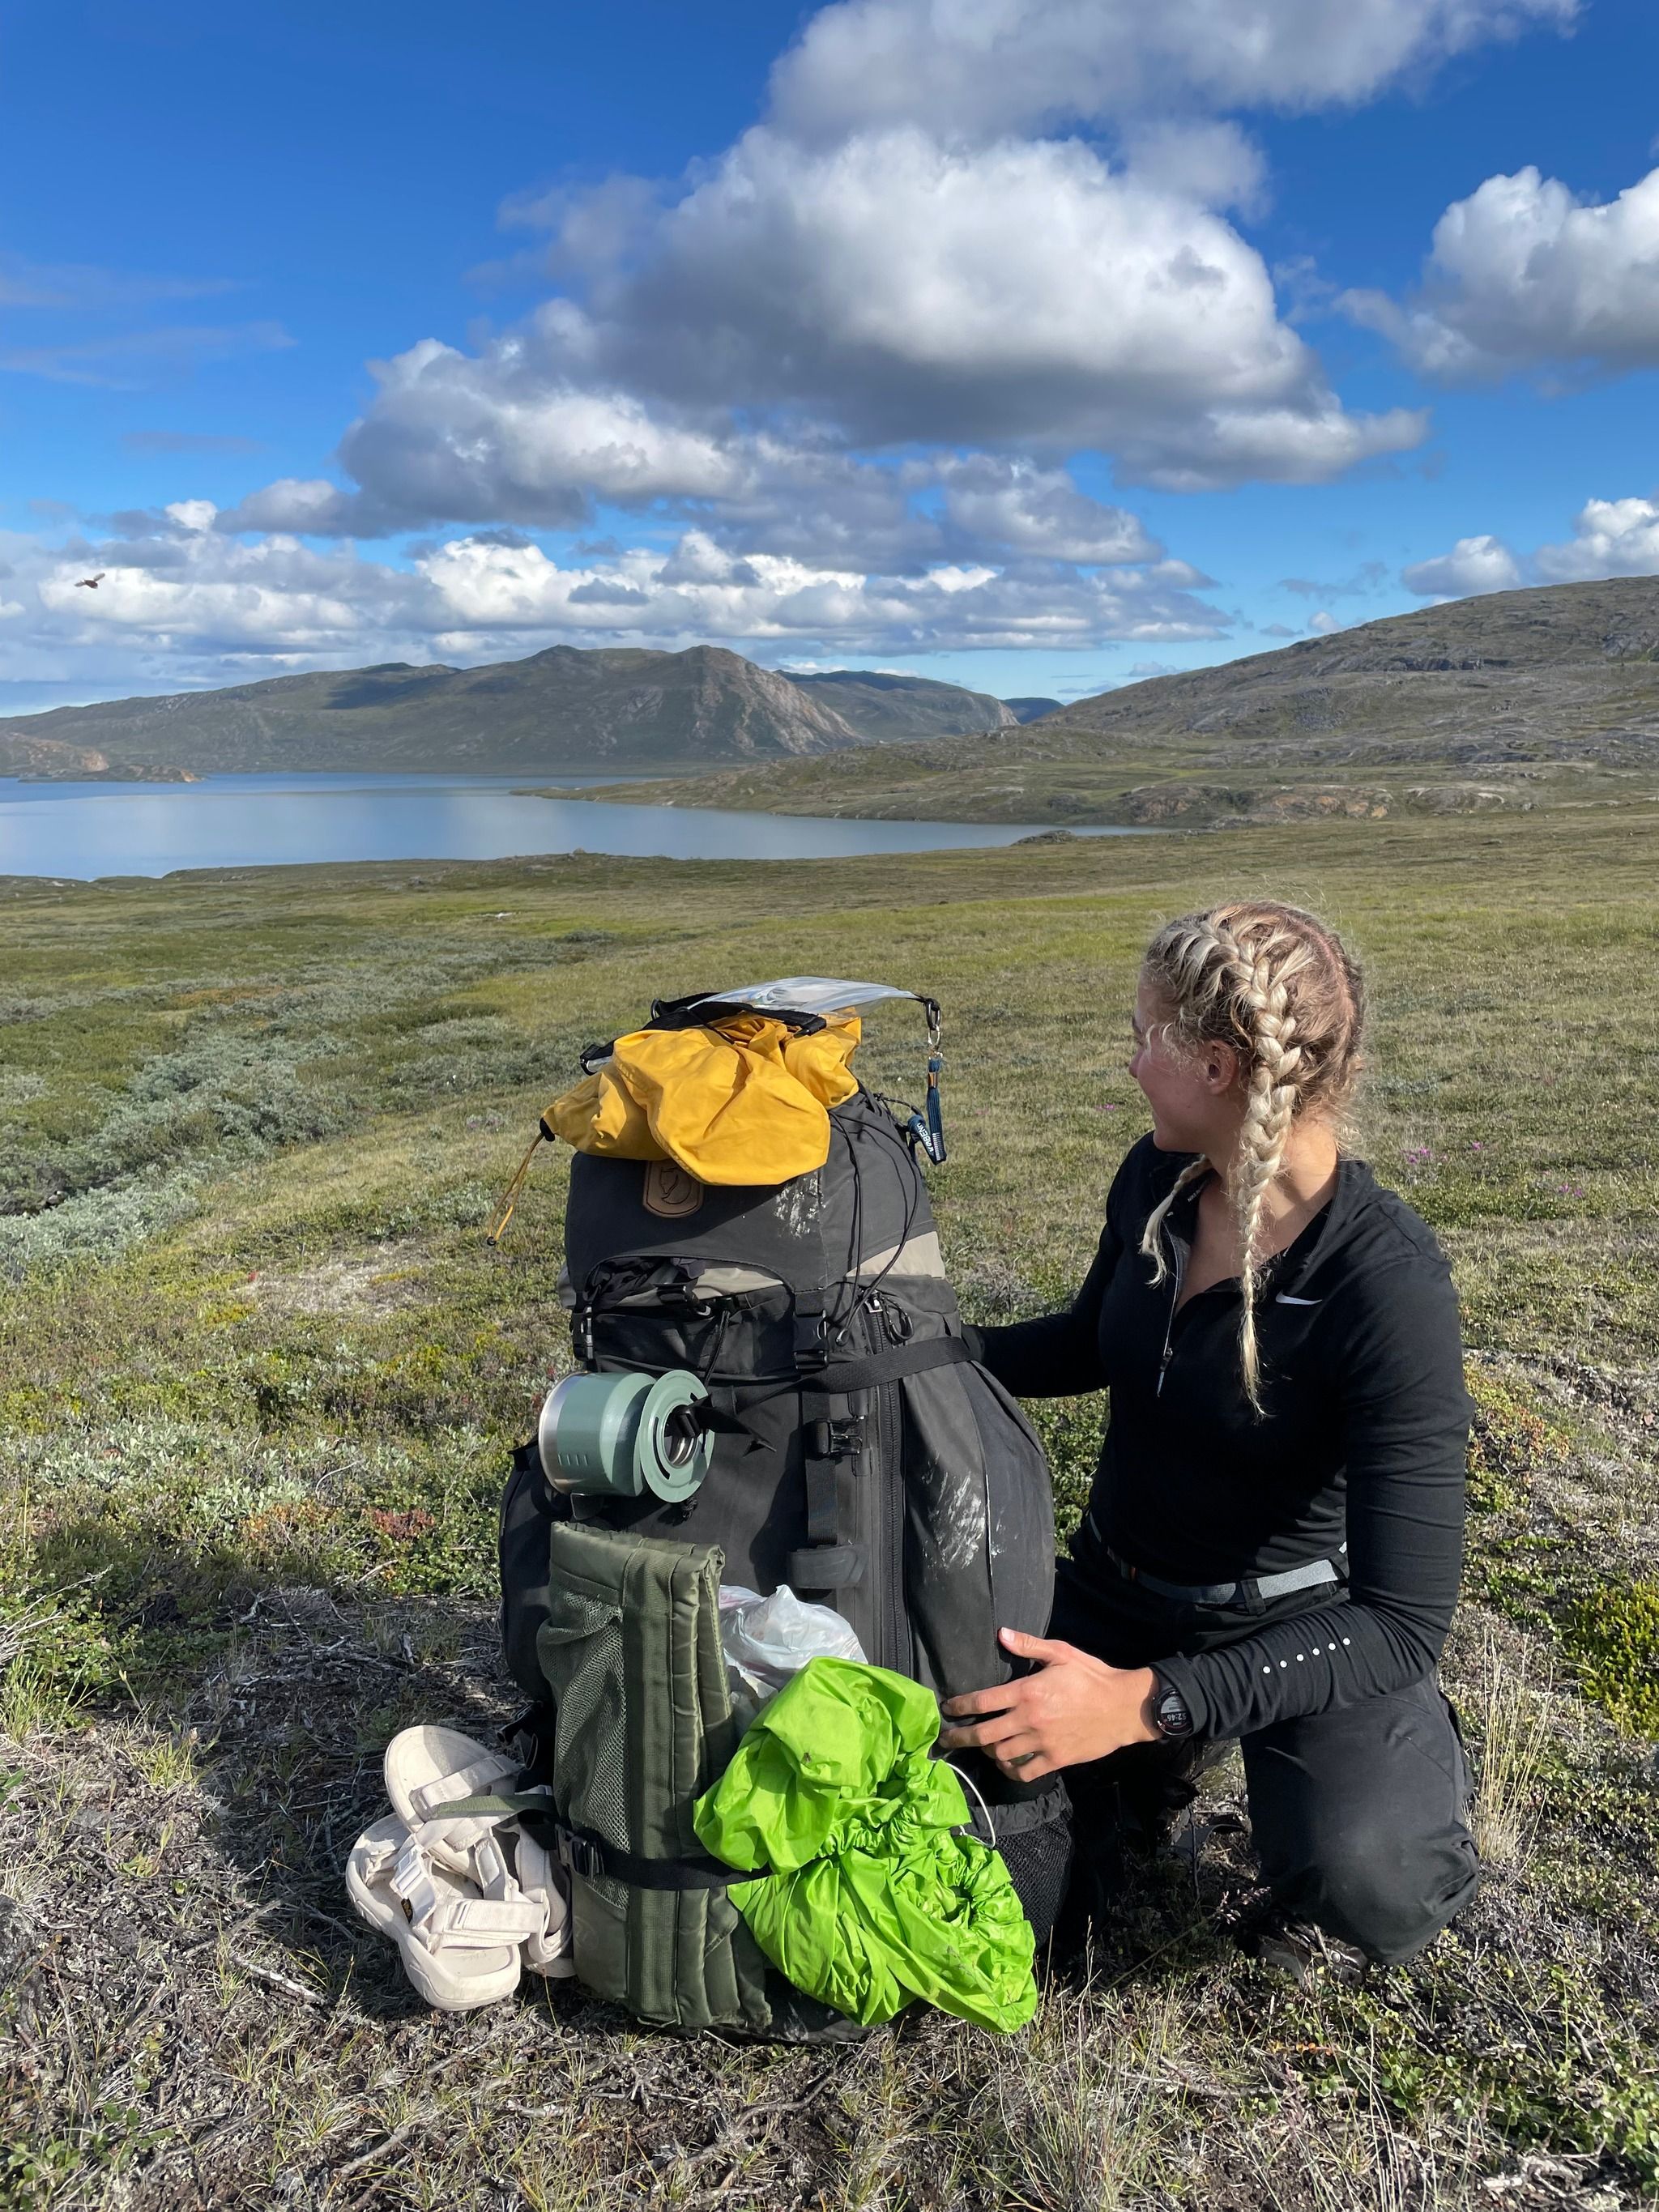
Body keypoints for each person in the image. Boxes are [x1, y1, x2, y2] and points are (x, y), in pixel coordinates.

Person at [940, 901, 1479, 1974]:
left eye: (1146, 1036)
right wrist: (928, 1357)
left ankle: (1367, 1760)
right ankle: (1148, 1767)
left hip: (1294, 1620)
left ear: (1220, 1066)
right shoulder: (1159, 1180)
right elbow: (1089, 1343)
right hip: (1113, 1592)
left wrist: (1145, 1702)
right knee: (949, 1776)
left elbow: (1402, 1624)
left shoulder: (1386, 1288)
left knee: (1375, 1880)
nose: (1132, 1062)